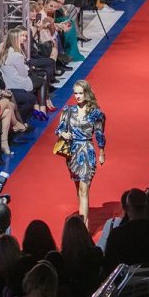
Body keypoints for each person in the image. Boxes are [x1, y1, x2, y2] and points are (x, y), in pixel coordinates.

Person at [55, 80, 106, 224]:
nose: (77, 96)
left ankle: (83, 226)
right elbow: (58, 129)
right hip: (72, 155)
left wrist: (102, 153)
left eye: (80, 93)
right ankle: (85, 221)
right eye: (75, 93)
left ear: (86, 93)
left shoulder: (95, 113)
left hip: (87, 152)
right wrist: (63, 134)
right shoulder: (68, 111)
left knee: (84, 190)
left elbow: (99, 134)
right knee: (79, 190)